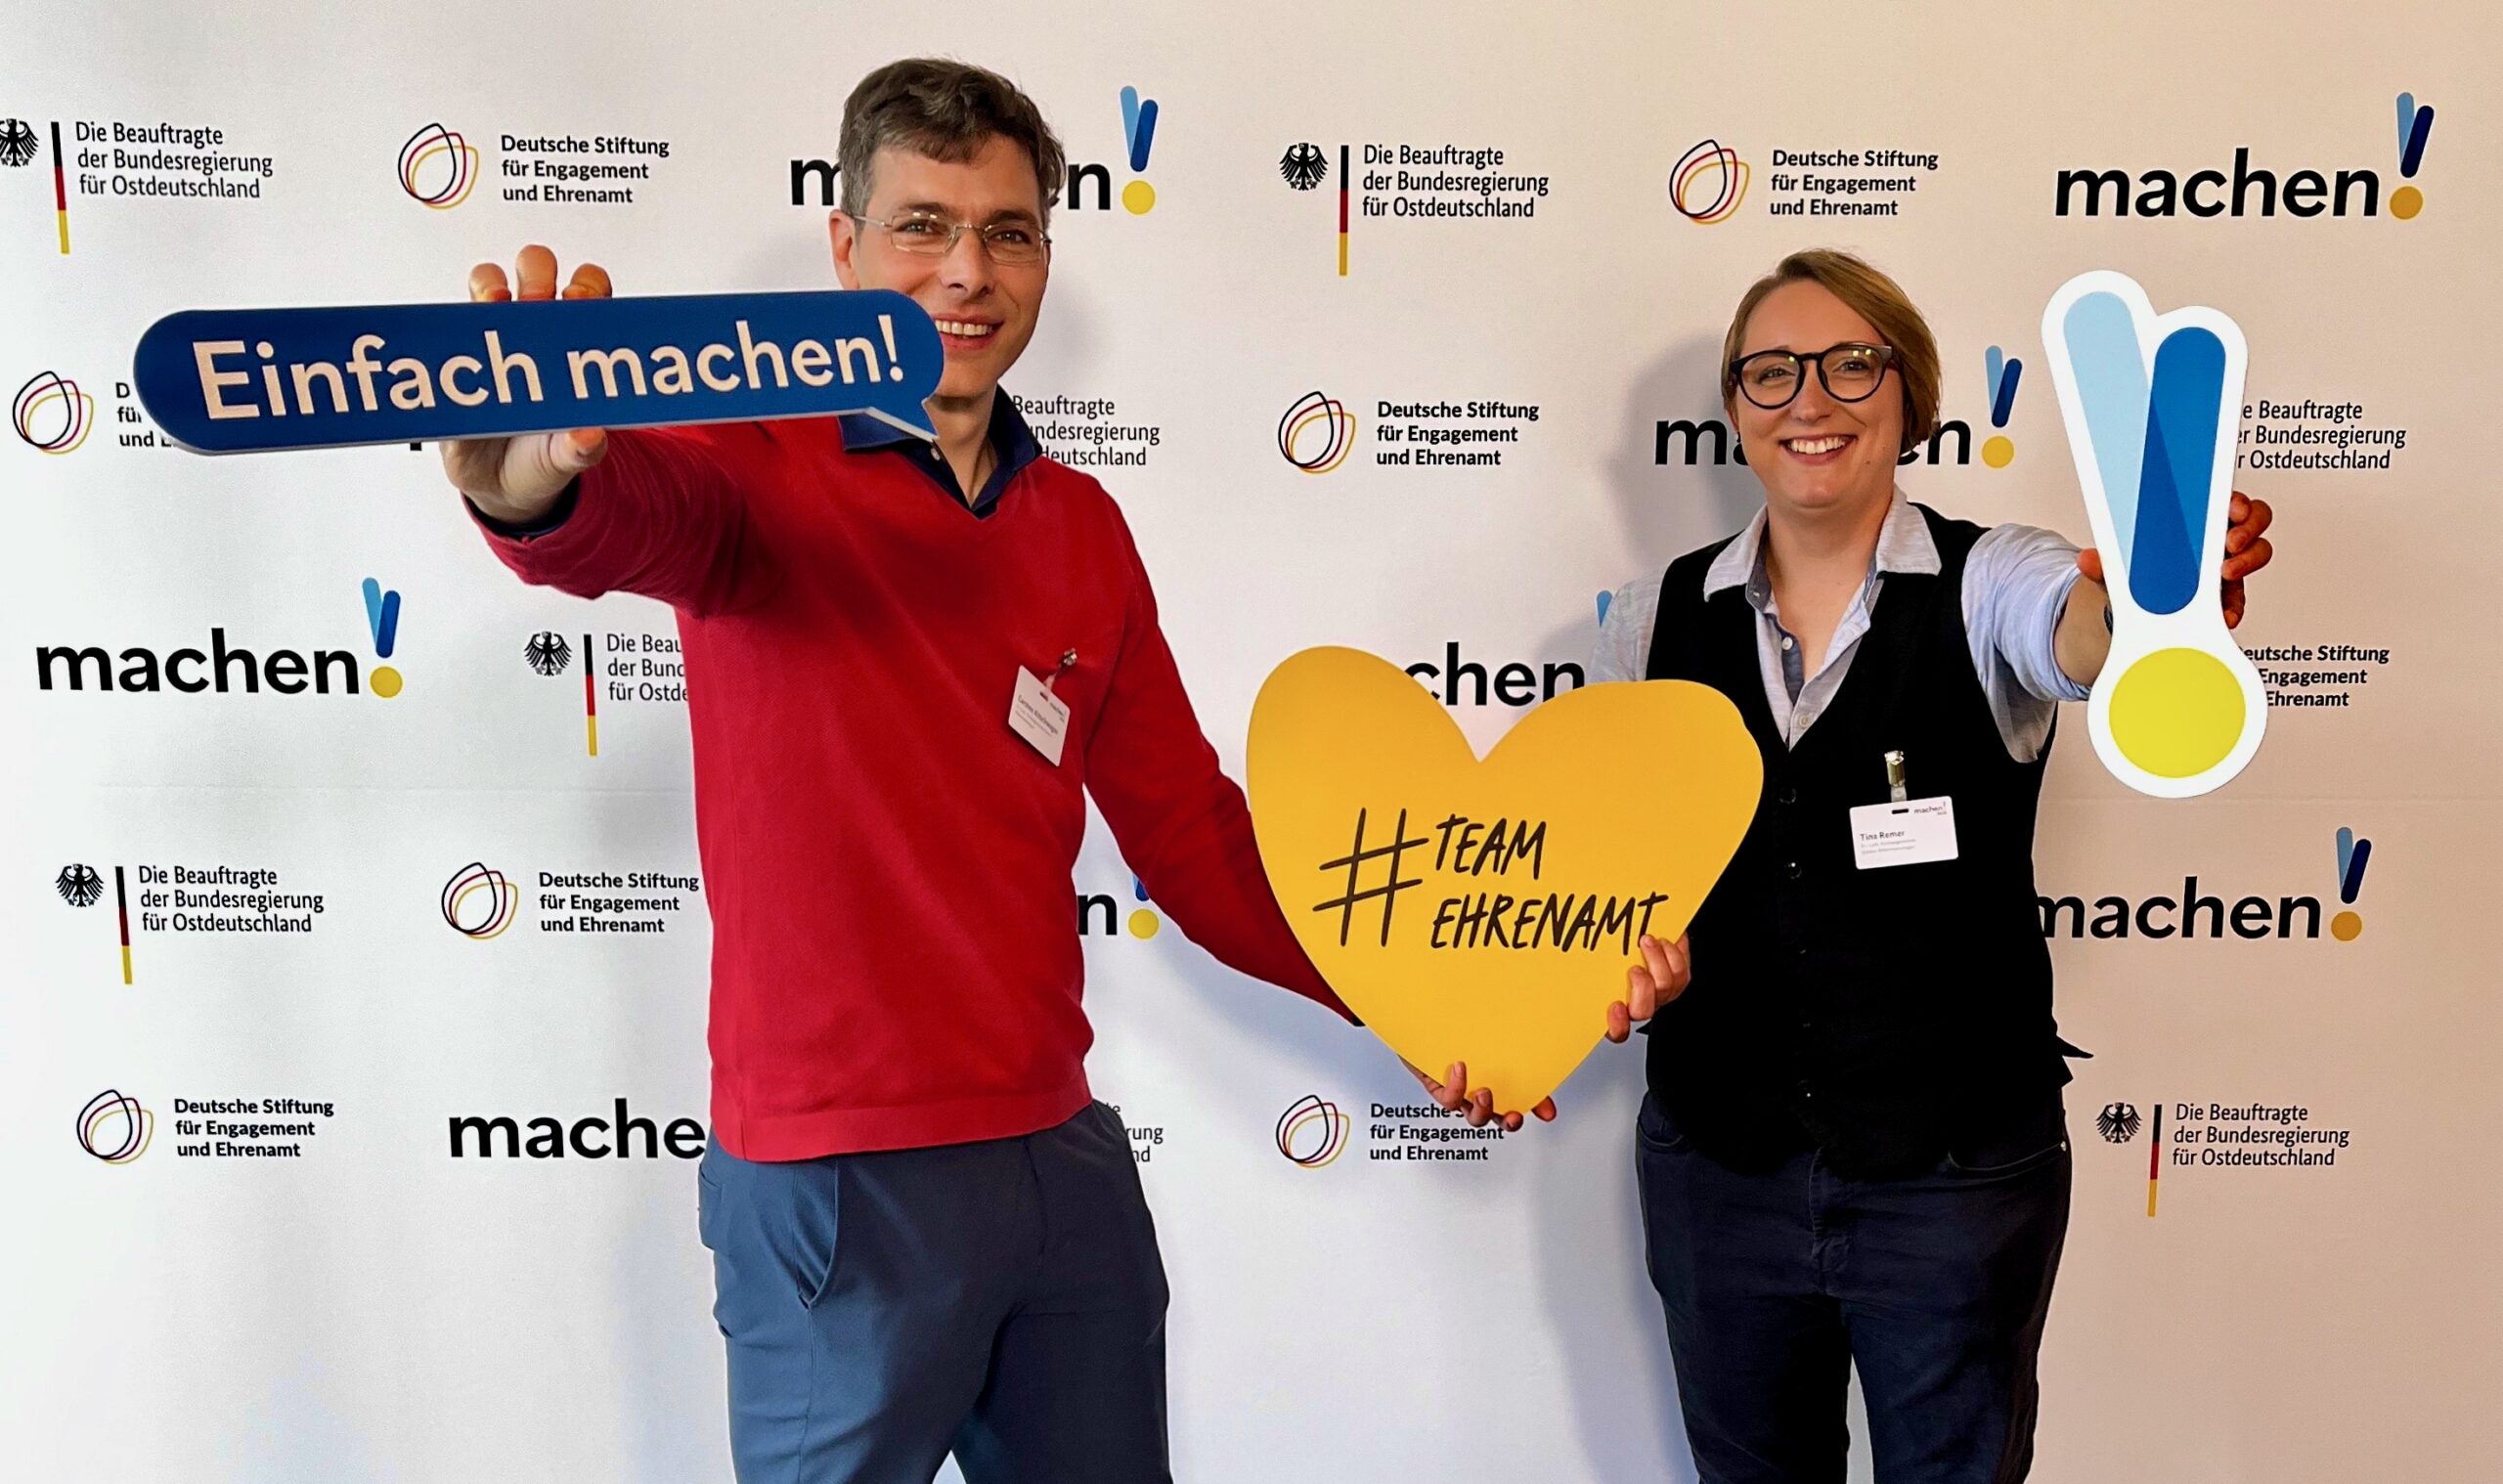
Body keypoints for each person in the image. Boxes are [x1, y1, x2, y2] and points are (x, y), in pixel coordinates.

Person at [436, 57, 1457, 1484]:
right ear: (845, 246)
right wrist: (528, 486)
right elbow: (620, 512)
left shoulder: (1080, 524)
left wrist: (1424, 996)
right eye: (922, 225)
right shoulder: (751, 457)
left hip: (1060, 1163)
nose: (967, 272)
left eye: (1007, 231)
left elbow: (1195, 839)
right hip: (836, 1183)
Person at [1586, 249, 2274, 1483]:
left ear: (1910, 394)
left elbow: (2077, 635)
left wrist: (2151, 600)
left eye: (1853, 364)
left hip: (1953, 1181)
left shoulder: (1991, 577)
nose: (1811, 398)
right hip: (1718, 1173)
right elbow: (1616, 878)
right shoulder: (1650, 620)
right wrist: (1620, 964)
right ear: (1734, 408)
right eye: (1771, 371)